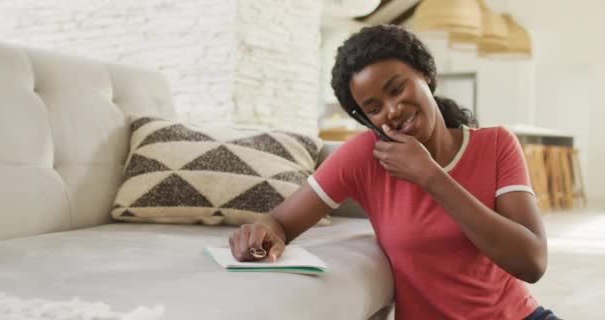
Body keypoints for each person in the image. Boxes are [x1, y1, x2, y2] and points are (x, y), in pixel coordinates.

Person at [228, 24, 559, 320]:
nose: (393, 110)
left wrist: (429, 175)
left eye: (397, 89)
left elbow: (532, 262)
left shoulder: (496, 144)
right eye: (374, 108)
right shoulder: (366, 156)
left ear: (425, 74)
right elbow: (280, 222)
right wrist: (258, 239)